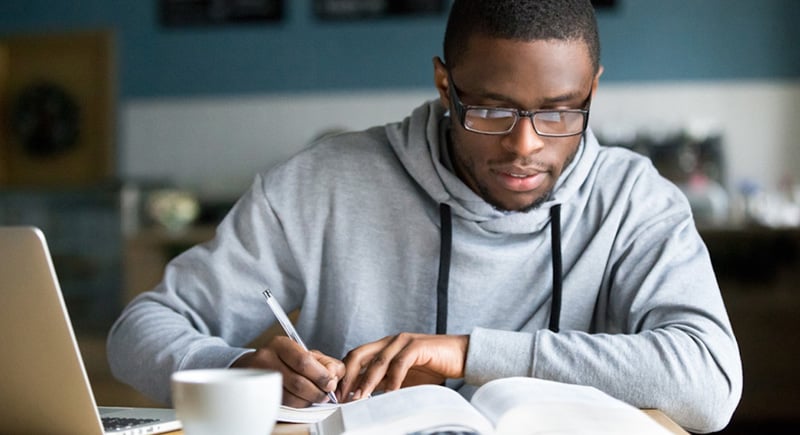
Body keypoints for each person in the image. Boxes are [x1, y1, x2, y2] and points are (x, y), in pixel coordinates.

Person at [107, 0, 742, 432]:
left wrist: (465, 353)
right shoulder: (322, 183)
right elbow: (142, 329)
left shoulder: (635, 201)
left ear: (593, 90)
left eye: (559, 113)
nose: (525, 145)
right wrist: (240, 369)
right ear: (445, 85)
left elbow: (710, 381)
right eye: (491, 111)